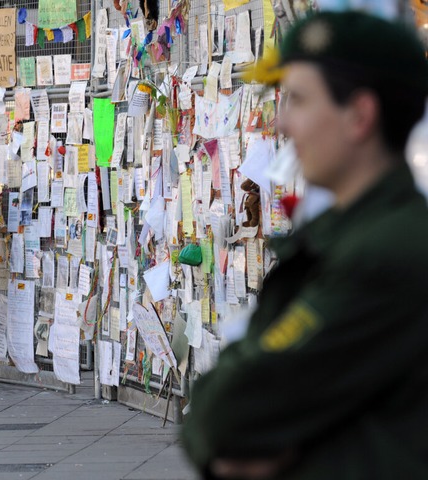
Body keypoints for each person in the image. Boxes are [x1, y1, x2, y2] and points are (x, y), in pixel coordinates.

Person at [181, 10, 428, 480]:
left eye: (297, 100)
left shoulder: (382, 256)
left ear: (359, 116)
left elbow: (222, 416)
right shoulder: (350, 235)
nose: (281, 125)